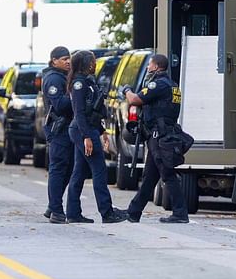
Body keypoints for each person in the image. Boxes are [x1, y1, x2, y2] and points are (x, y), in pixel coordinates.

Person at [122, 54, 189, 224]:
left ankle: (180, 213)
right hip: (162, 135)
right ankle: (133, 212)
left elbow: (135, 100)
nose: (147, 68)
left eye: (149, 65)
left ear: (157, 66)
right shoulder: (172, 85)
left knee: (167, 173)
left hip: (159, 136)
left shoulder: (159, 84)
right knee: (150, 176)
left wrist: (126, 90)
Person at [65, 50, 129, 224]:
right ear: (86, 64)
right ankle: (107, 212)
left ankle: (73, 213)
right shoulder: (79, 84)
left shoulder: (88, 82)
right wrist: (87, 137)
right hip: (82, 130)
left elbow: (91, 111)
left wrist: (102, 132)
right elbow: (79, 113)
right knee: (99, 170)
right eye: (92, 61)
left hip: (89, 129)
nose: (95, 64)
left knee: (79, 172)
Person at [41, 46, 75, 224]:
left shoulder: (64, 77)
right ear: (54, 60)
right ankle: (56, 210)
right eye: (63, 59)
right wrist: (76, 96)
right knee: (59, 168)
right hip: (58, 129)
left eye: (68, 58)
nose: (68, 61)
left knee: (68, 169)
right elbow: (60, 105)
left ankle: (52, 206)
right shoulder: (53, 78)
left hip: (67, 129)